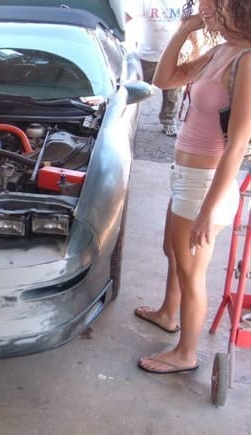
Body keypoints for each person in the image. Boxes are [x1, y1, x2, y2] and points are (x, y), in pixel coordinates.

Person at [135, 0, 251, 374]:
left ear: (239, 11)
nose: (208, 10)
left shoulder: (246, 61)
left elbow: (237, 144)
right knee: (172, 249)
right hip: (185, 175)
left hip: (206, 184)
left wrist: (208, 211)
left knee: (191, 271)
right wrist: (184, 31)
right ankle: (169, 312)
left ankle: (186, 353)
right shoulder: (222, 51)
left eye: (218, 6)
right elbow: (164, 80)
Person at [125, 0, 186, 137]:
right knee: (135, 90)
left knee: (172, 93)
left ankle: (168, 120)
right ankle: (123, 118)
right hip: (147, 56)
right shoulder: (148, 2)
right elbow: (126, 16)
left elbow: (189, 25)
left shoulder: (183, 3)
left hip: (173, 56)